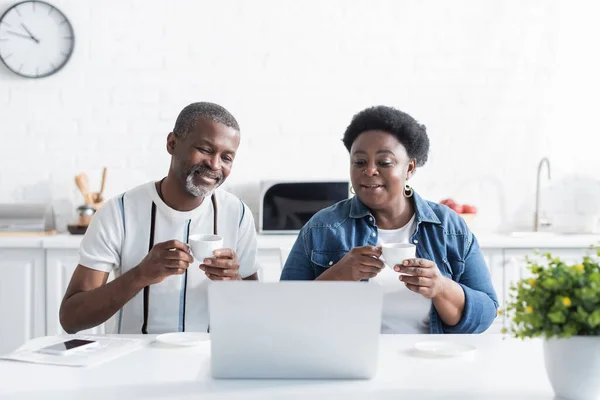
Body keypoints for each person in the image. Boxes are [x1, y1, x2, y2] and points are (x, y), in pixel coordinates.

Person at [280, 105, 498, 334]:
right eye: (360, 162)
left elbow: (486, 314)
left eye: (384, 162)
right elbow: (284, 313)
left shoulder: (448, 227)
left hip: (429, 362)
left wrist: (441, 288)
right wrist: (340, 275)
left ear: (409, 168)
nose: (370, 170)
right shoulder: (322, 228)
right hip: (349, 364)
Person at [60, 102, 258, 334]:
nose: (215, 164)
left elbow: (256, 314)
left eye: (226, 157)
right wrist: (141, 275)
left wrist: (233, 282)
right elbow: (71, 318)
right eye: (205, 149)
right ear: (172, 143)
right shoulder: (118, 212)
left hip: (210, 361)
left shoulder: (239, 214)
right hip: (133, 363)